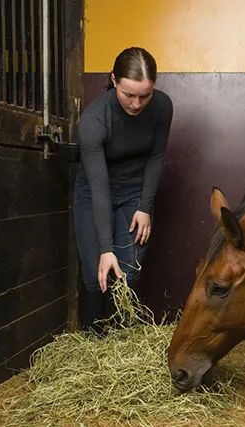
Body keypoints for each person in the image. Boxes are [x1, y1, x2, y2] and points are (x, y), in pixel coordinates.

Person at [74, 47, 173, 332]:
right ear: (114, 80)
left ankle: (122, 343)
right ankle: (91, 344)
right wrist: (106, 247)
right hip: (94, 192)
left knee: (129, 271)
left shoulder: (163, 107)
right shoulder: (94, 120)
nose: (136, 103)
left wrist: (144, 206)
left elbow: (156, 156)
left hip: (135, 191)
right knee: (97, 273)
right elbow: (99, 185)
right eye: (128, 94)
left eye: (145, 94)